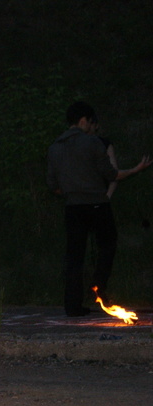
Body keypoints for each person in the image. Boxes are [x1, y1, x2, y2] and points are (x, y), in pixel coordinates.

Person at [46, 101, 151, 316]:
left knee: (74, 256)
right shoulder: (92, 143)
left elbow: (52, 185)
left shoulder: (55, 147)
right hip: (96, 203)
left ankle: (73, 306)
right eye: (91, 122)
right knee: (108, 244)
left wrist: (70, 190)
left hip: (73, 206)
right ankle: (98, 286)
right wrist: (136, 169)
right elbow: (111, 174)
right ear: (83, 121)